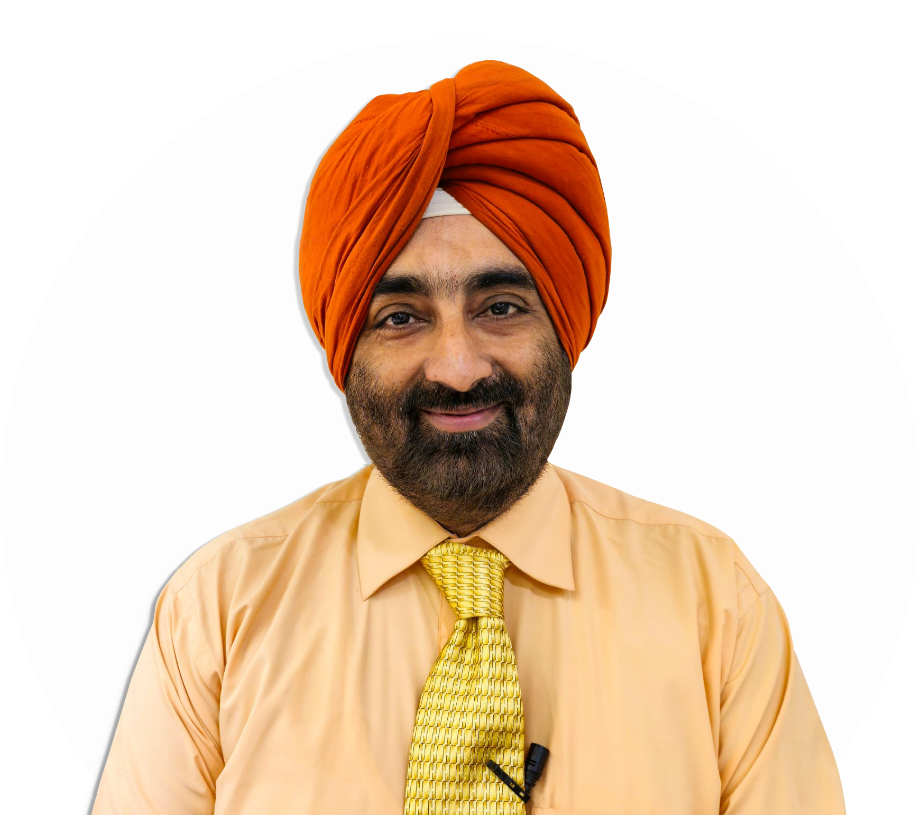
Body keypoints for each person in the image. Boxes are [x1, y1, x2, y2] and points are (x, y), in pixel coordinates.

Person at [92, 60, 847, 814]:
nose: (457, 368)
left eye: (501, 307)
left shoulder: (714, 601)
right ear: (342, 351)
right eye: (400, 318)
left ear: (565, 329)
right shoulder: (219, 610)